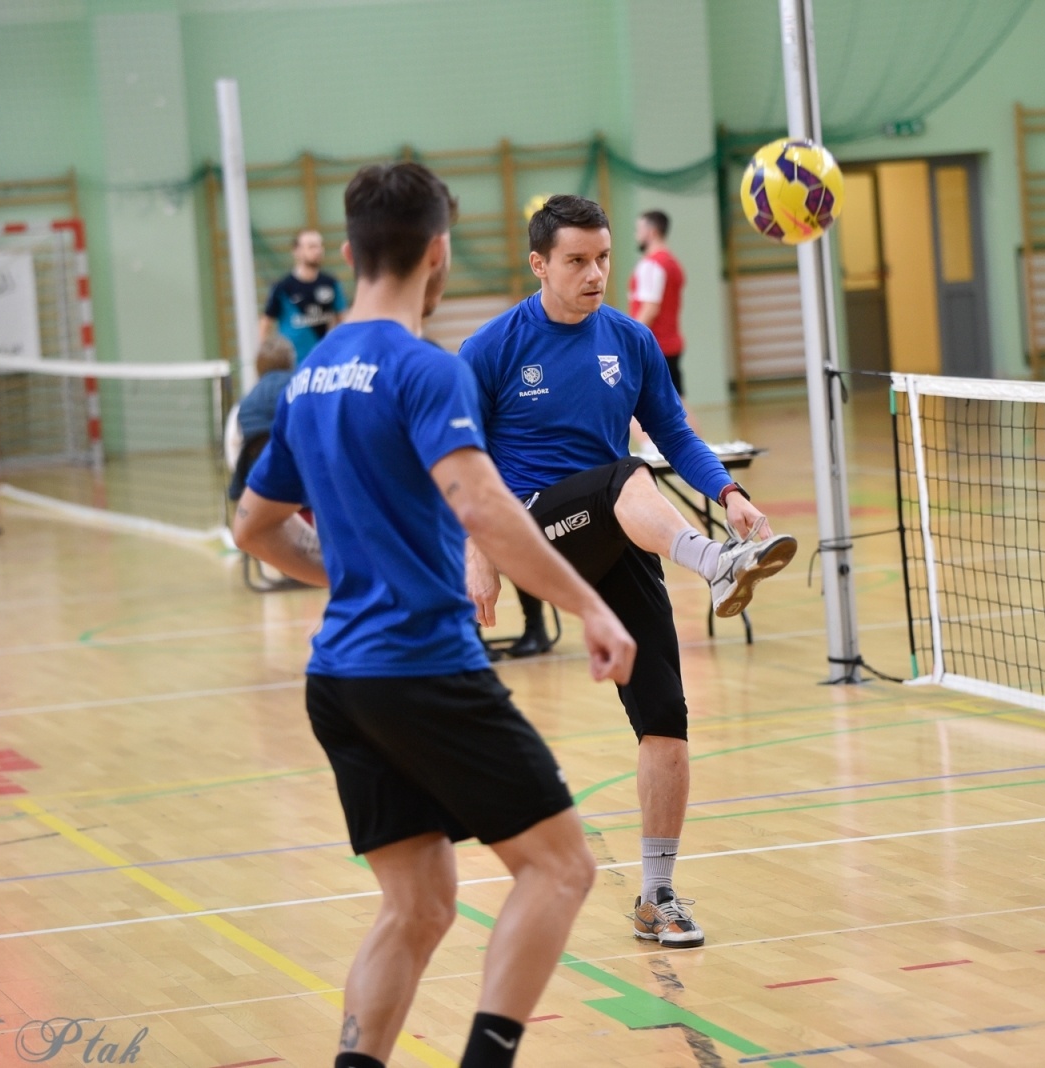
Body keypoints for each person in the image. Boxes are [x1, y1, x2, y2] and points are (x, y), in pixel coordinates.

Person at [232, 163, 636, 1068]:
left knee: (417, 906)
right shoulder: (427, 369)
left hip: (338, 679)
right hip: (422, 670)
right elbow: (486, 509)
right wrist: (590, 605)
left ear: (347, 253)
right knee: (562, 867)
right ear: (439, 253)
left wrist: (345, 579)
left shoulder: (309, 377)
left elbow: (253, 526)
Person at [460, 195, 796, 949]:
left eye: (605, 258)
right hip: (534, 529)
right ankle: (714, 566)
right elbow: (461, 461)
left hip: (612, 535)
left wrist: (729, 492)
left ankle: (657, 895)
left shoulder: (631, 340)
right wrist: (477, 554)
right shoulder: (492, 348)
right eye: (577, 261)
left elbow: (673, 429)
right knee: (621, 475)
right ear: (540, 263)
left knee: (666, 723)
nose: (596, 273)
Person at [260, 228, 347, 363]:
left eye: (319, 246)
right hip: (293, 365)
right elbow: (265, 324)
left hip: (324, 362)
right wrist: (265, 361)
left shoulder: (330, 284)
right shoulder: (282, 287)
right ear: (297, 251)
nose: (318, 250)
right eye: (311, 246)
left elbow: (343, 319)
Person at [228, 334, 296, 501]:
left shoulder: (243, 404)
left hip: (259, 488)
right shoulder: (300, 389)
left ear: (257, 368)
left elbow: (233, 447)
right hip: (300, 483)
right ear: (291, 363)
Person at [629, 210, 686, 395]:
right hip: (668, 344)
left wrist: (629, 341)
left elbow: (650, 309)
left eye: (639, 230)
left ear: (651, 232)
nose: (636, 235)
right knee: (677, 404)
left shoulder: (653, 264)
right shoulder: (672, 262)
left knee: (671, 408)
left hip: (656, 347)